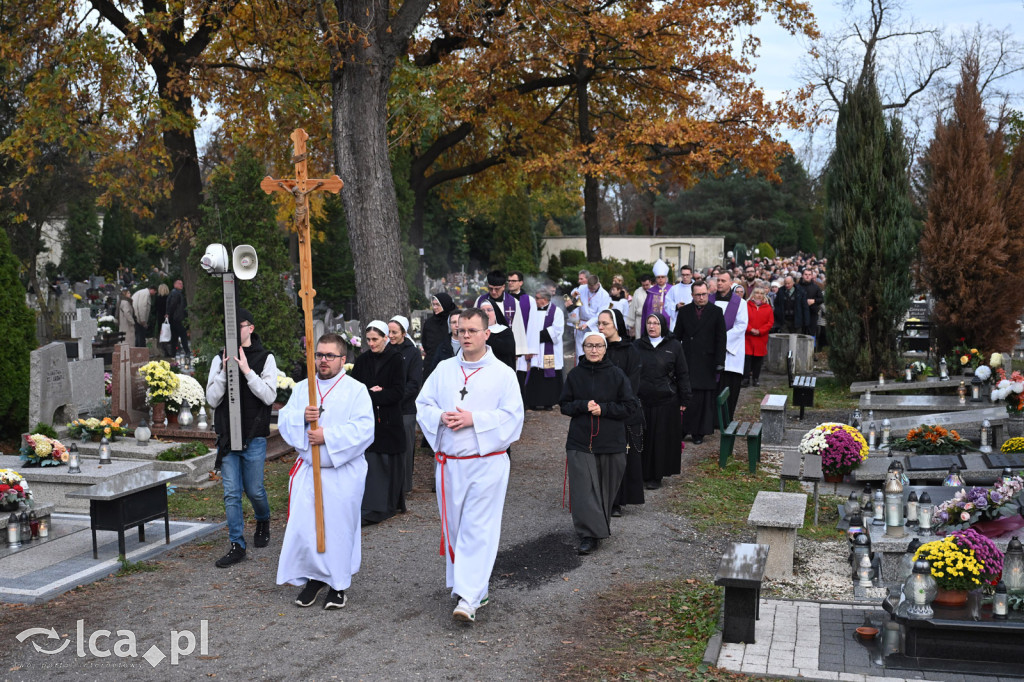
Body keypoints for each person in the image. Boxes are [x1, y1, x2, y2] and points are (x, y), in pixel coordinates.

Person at [416, 308, 524, 623]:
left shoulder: (503, 374)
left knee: (478, 528)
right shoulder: (444, 370)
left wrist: (473, 419)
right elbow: (424, 404)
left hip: (486, 464)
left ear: (486, 334)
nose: (465, 336)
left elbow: (513, 418)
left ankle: (469, 598)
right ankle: (476, 586)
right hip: (450, 465)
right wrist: (440, 417)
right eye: (461, 330)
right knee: (456, 528)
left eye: (472, 330)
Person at [276, 333, 374, 610]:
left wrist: (327, 436)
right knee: (308, 528)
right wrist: (301, 419)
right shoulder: (304, 388)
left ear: (343, 359)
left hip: (343, 472)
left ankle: (339, 585)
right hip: (310, 470)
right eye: (319, 355)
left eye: (330, 356)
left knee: (339, 529)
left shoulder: (356, 390)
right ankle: (314, 579)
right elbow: (285, 420)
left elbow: (365, 429)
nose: (323, 360)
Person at [206, 308, 278, 568]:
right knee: (231, 493)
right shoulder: (219, 358)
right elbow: (211, 399)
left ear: (251, 328)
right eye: (230, 327)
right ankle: (237, 543)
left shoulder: (265, 358)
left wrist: (247, 371)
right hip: (227, 438)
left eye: (240, 326)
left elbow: (269, 396)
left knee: (254, 490)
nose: (234, 332)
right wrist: (225, 373)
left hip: (253, 436)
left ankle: (263, 518)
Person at [559, 331, 636, 555]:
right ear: (583, 348)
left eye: (598, 346)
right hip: (580, 440)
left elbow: (630, 407)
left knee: (605, 490)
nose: (594, 350)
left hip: (611, 440)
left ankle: (598, 527)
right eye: (589, 345)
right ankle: (588, 535)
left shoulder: (617, 375)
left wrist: (605, 409)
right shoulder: (575, 375)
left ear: (605, 349)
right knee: (583, 489)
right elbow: (565, 405)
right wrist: (583, 405)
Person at [350, 321, 406, 525]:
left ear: (385, 338)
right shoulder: (363, 360)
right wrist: (370, 394)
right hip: (368, 419)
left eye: (375, 339)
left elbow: (399, 391)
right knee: (373, 465)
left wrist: (376, 395)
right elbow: (353, 389)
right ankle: (373, 506)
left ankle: (386, 506)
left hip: (389, 420)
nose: (371, 343)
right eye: (368, 339)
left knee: (386, 463)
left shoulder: (396, 359)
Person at [634, 313, 690, 489]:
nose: (652, 326)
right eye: (649, 323)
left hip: (666, 400)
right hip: (642, 400)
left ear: (663, 325)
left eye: (656, 323)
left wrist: (685, 397)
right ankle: (641, 472)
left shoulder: (674, 346)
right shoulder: (637, 345)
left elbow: (682, 373)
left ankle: (656, 475)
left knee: (660, 438)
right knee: (643, 437)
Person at [596, 309, 644, 515]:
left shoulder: (630, 350)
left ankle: (617, 500)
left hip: (621, 411)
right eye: (599, 323)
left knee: (619, 458)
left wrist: (614, 405)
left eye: (605, 324)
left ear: (616, 325)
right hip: (599, 411)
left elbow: (632, 383)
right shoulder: (597, 348)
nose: (600, 328)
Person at [674, 281, 726, 445]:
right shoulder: (684, 312)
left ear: (708, 294)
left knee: (703, 398)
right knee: (686, 394)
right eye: (698, 295)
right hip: (688, 359)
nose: (701, 297)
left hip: (707, 361)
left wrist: (720, 361)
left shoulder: (716, 312)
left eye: (704, 294)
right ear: (692, 295)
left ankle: (699, 431)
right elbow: (677, 336)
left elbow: (721, 339)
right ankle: (683, 428)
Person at [389, 315, 423, 494]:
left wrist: (395, 397)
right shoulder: (385, 350)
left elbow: (414, 383)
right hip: (387, 408)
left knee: (406, 449)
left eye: (394, 332)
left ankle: (404, 487)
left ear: (404, 332)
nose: (391, 335)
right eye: (389, 332)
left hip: (405, 409)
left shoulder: (413, 353)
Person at [474, 270, 529, 367]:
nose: (493, 292)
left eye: (497, 289)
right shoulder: (480, 301)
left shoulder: (513, 302)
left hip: (504, 349)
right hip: (482, 349)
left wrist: (516, 351)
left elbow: (517, 327)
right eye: (490, 289)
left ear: (504, 287)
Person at [713, 271, 747, 423]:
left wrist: (721, 340)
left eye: (723, 280)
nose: (720, 283)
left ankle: (726, 419)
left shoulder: (740, 303)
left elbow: (741, 326)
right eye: (718, 280)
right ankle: (712, 420)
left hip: (731, 353)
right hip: (712, 352)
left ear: (731, 283)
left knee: (728, 388)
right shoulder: (709, 300)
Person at [522, 289, 565, 410]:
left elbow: (557, 331)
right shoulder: (532, 310)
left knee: (548, 374)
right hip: (534, 350)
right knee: (535, 373)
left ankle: (548, 402)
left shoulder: (557, 312)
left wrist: (535, 337)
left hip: (548, 348)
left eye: (537, 298)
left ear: (545, 300)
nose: (535, 300)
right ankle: (532, 401)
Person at [504, 271, 538, 386]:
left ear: (521, 283)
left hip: (523, 346)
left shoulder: (529, 301)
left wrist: (530, 349)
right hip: (505, 344)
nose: (510, 283)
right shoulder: (503, 299)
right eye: (509, 281)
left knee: (520, 378)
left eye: (513, 281)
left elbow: (533, 326)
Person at [568, 273, 609, 363]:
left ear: (597, 284)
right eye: (588, 287)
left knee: (593, 351)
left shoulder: (604, 295)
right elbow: (574, 293)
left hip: (594, 326)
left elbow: (600, 313)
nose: (589, 290)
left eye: (592, 288)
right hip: (581, 323)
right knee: (580, 351)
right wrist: (573, 294)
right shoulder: (583, 288)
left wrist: (588, 324)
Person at [421, 293, 458, 382]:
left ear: (445, 304)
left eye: (438, 304)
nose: (434, 307)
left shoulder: (454, 320)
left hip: (449, 362)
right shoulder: (429, 323)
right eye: (433, 304)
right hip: (431, 363)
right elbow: (425, 342)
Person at [743, 285, 774, 388]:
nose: (759, 295)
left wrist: (760, 331)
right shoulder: (746, 305)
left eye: (761, 293)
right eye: (757, 293)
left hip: (761, 337)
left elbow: (770, 322)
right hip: (748, 336)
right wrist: (750, 329)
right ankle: (745, 378)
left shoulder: (768, 307)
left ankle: (756, 378)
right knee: (747, 359)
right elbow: (742, 320)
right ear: (753, 294)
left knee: (758, 359)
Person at [480, 299, 516, 369]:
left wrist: (486, 336)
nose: (486, 313)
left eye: (489, 310)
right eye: (482, 311)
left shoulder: (505, 330)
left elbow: (506, 349)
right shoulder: (475, 331)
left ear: (495, 312)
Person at [664, 265, 694, 331]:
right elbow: (667, 304)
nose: (685, 277)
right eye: (683, 275)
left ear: (691, 275)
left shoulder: (696, 287)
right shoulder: (674, 288)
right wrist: (676, 306)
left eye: (687, 275)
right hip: (678, 320)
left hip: (693, 320)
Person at [166, 278, 189, 355]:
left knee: (175, 337)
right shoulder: (176, 293)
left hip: (176, 318)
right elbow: (172, 305)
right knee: (182, 335)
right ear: (175, 285)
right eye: (179, 283)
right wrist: (169, 314)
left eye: (182, 283)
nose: (181, 285)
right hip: (177, 318)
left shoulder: (176, 293)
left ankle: (174, 353)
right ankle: (187, 351)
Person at [626, 273, 653, 338]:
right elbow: (633, 308)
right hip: (639, 320)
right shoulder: (637, 292)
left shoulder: (655, 291)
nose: (645, 287)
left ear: (650, 282)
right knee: (640, 338)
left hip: (652, 320)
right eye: (643, 285)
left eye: (647, 285)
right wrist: (631, 324)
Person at [155, 283, 171, 356]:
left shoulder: (158, 298)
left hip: (160, 318)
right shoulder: (169, 297)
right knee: (168, 333)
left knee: (162, 335)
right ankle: (170, 350)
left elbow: (156, 309)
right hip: (168, 318)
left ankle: (164, 350)